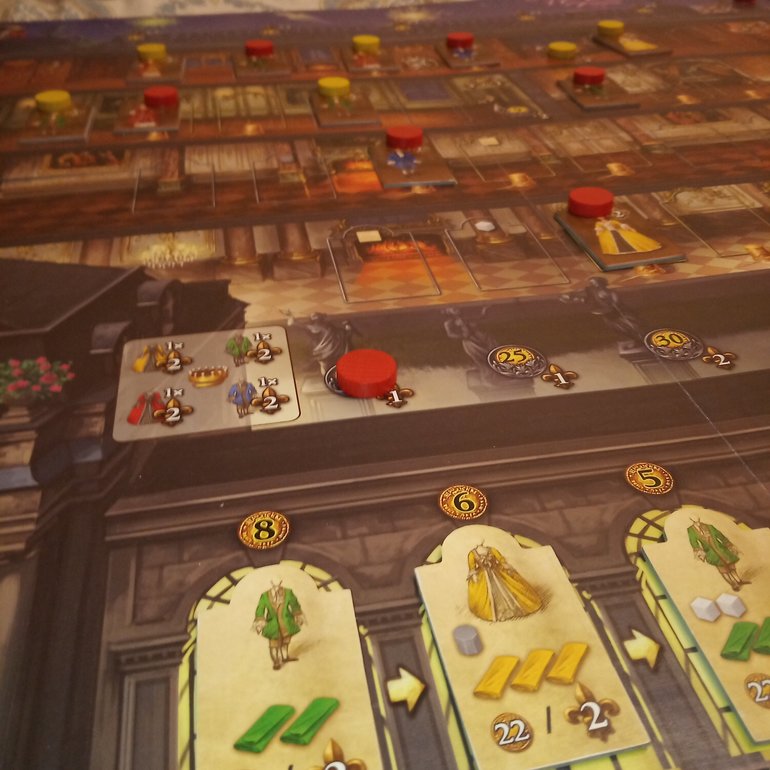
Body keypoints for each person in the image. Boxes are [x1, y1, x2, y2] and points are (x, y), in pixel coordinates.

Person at [467, 544, 542, 622]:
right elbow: (472, 567)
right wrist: (474, 576)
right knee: (489, 594)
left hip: (497, 572)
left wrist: (505, 565)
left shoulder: (492, 550)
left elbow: (500, 559)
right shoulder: (472, 553)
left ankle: (514, 609)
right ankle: (496, 613)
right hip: (484, 576)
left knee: (510, 588)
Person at [253, 581, 305, 670]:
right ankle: (276, 662)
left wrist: (298, 616)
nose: (276, 585)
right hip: (272, 624)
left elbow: (295, 605)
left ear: (281, 582)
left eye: (279, 582)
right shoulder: (265, 595)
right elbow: (260, 609)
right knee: (273, 644)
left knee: (286, 640)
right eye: (274, 583)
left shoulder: (288, 592)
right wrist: (260, 622)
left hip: (286, 622)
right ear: (271, 583)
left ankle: (285, 657)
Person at [687, 518, 750, 591]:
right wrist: (699, 551)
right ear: (692, 521)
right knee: (723, 570)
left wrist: (729, 544)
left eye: (698, 521)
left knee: (731, 566)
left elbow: (720, 536)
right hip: (711, 553)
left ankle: (739, 581)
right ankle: (733, 584)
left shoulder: (709, 526)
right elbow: (693, 542)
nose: (698, 523)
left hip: (721, 549)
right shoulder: (690, 530)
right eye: (695, 522)